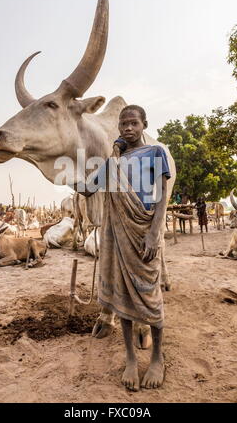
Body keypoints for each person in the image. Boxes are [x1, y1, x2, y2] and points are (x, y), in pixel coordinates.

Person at [79, 104, 171, 391]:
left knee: (150, 296)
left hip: (144, 231)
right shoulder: (113, 162)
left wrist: (155, 232)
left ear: (144, 124)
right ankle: (130, 358)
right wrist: (112, 156)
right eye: (123, 125)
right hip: (118, 236)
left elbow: (162, 196)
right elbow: (87, 188)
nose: (128, 128)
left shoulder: (156, 153)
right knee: (123, 296)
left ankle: (157, 358)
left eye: (133, 123)